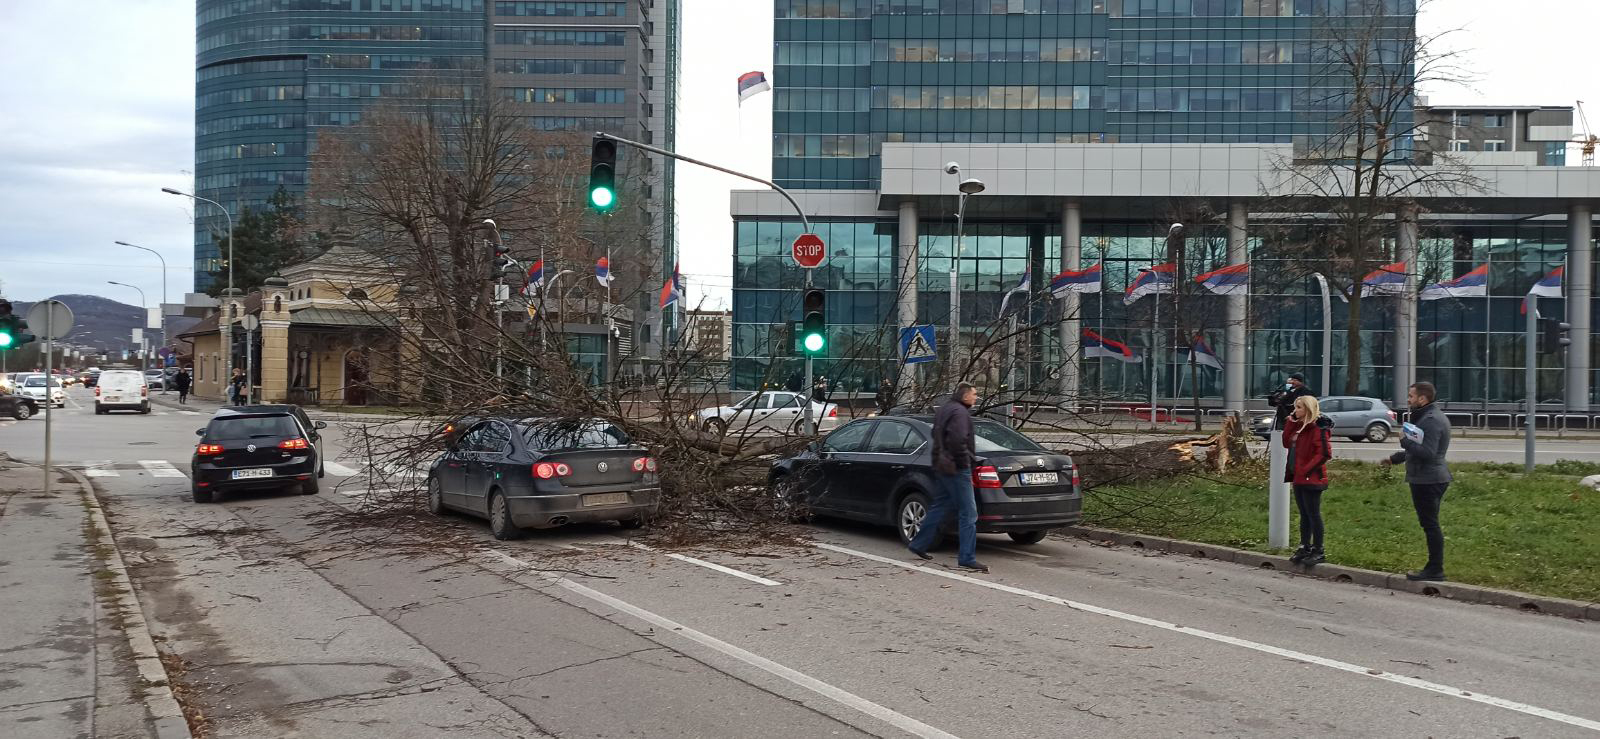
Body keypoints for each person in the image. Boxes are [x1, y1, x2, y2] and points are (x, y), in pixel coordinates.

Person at [909, 382, 988, 573]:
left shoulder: (945, 409)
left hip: (942, 464)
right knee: (969, 513)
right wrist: (966, 462)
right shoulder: (960, 413)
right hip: (956, 468)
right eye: (974, 394)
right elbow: (957, 440)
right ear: (965, 396)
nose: (976, 397)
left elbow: (935, 433)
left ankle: (918, 543)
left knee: (940, 505)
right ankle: (967, 557)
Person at [1381, 381, 1452, 581]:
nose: (1408, 400)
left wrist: (1403, 440)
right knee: (1429, 523)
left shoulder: (1431, 420)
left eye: (1411, 396)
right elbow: (1419, 449)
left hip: (1428, 479)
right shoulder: (1428, 416)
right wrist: (1396, 458)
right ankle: (1434, 567)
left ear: (1422, 398)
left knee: (1430, 525)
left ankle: (1435, 569)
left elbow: (1427, 453)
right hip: (1427, 477)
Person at [1283, 395, 1335, 565]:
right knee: (1304, 514)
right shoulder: (1298, 427)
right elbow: (1286, 442)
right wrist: (1291, 422)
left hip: (1312, 478)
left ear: (1308, 409)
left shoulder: (1318, 428)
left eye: (1299, 407)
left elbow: (1324, 453)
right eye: (1295, 407)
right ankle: (1304, 546)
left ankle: (1318, 549)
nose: (1295, 410)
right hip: (1298, 476)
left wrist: (1306, 470)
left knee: (1313, 514)